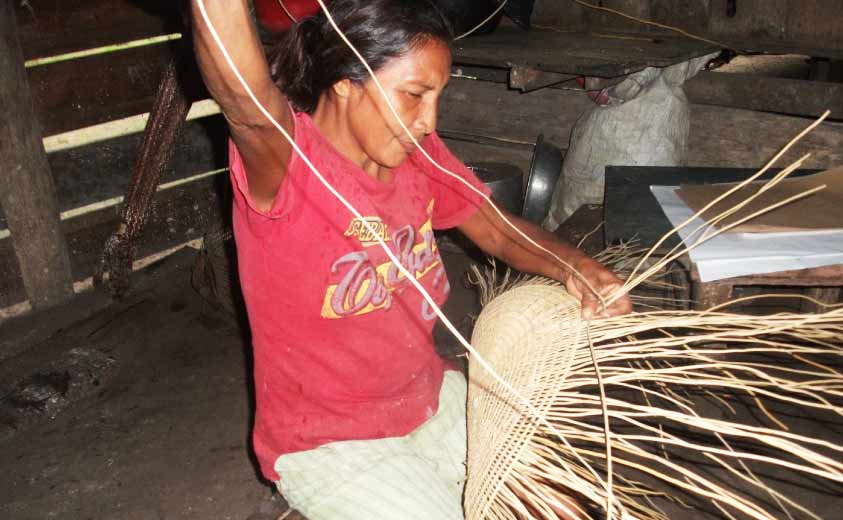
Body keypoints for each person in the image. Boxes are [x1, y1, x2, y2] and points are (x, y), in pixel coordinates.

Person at [190, 1, 632, 518]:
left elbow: (491, 225)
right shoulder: (288, 163)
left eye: (438, 96)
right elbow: (244, 99)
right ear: (345, 81)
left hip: (429, 399)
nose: (429, 120)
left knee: (557, 502)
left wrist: (572, 265)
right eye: (414, 95)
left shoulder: (415, 153)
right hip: (329, 444)